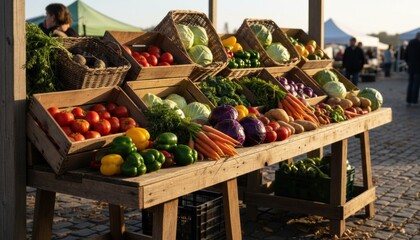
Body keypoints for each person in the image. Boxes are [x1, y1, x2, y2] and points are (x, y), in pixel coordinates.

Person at [405, 32, 420, 107]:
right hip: (418, 68)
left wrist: (408, 63)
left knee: (410, 84)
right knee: (416, 85)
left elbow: (405, 55)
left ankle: (408, 100)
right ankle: (414, 101)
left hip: (411, 67)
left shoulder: (410, 43)